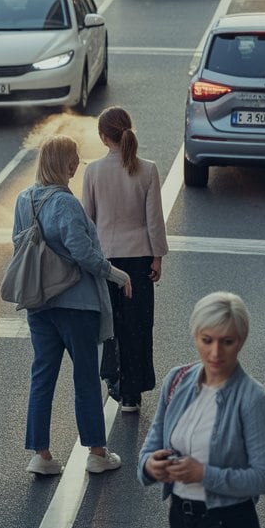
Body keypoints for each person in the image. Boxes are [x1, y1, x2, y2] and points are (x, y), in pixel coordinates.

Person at [139, 292, 265, 528]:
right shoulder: (177, 380)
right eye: (207, 340)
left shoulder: (254, 400)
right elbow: (150, 447)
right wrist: (151, 465)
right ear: (195, 336)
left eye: (227, 342)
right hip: (180, 520)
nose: (216, 353)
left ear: (240, 341)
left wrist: (203, 475)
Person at [15, 134, 131, 477]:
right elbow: (82, 253)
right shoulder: (65, 203)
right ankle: (96, 451)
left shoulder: (24, 200)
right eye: (74, 158)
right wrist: (116, 274)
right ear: (63, 164)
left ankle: (42, 454)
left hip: (39, 302)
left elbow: (18, 245)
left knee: (42, 377)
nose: (77, 164)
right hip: (76, 304)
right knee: (85, 377)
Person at [81, 107, 169, 414]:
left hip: (106, 261)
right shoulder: (147, 169)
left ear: (104, 137)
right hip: (139, 259)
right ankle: (133, 391)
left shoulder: (92, 172)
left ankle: (114, 381)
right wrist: (157, 257)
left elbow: (88, 223)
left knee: (111, 325)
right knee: (138, 325)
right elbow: (154, 220)